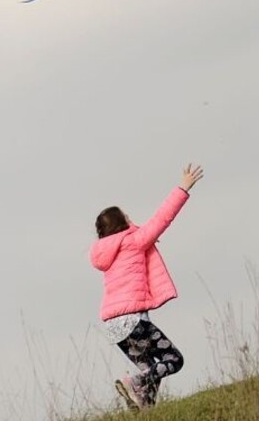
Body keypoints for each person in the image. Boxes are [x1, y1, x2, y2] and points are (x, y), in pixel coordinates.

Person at [91, 164, 203, 410]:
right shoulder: (133, 242)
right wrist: (183, 187)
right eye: (127, 216)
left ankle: (146, 409)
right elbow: (162, 218)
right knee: (173, 360)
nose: (132, 219)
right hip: (133, 322)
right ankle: (134, 382)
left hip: (113, 327)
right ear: (122, 223)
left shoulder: (106, 253)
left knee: (151, 370)